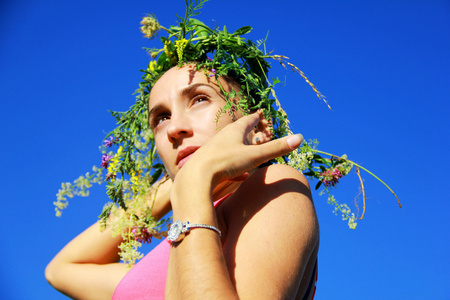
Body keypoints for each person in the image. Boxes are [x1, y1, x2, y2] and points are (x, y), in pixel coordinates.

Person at [46, 3, 320, 299]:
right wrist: (171, 187)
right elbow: (62, 269)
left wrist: (191, 181)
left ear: (256, 128)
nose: (175, 127)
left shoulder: (277, 186)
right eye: (161, 118)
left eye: (199, 99)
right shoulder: (167, 255)